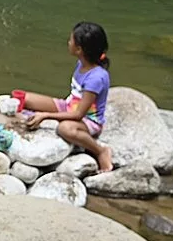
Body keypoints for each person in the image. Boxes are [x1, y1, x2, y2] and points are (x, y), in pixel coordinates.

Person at [17, 21, 114, 172]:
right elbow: (74, 103)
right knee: (23, 98)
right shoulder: (81, 63)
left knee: (65, 129)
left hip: (87, 120)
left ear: (79, 49)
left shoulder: (96, 78)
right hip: (69, 106)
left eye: (71, 40)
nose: (68, 43)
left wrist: (45, 116)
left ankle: (100, 151)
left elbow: (78, 114)